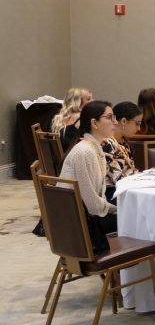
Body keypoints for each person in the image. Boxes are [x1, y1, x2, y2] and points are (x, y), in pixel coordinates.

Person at [59, 100, 118, 235]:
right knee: (138, 220)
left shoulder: (93, 147)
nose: (115, 122)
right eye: (109, 117)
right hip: (81, 224)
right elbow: (91, 204)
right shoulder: (84, 152)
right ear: (94, 123)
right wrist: (115, 210)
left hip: (87, 217)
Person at [102, 101, 142, 201]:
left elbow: (130, 171)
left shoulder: (124, 143)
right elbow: (118, 178)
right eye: (137, 124)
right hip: (113, 194)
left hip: (127, 189)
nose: (139, 128)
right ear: (124, 121)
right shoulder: (106, 144)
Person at [52, 87, 93, 151]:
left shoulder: (60, 118)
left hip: (63, 154)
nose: (92, 101)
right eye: (88, 99)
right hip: (77, 154)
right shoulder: (81, 118)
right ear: (78, 102)